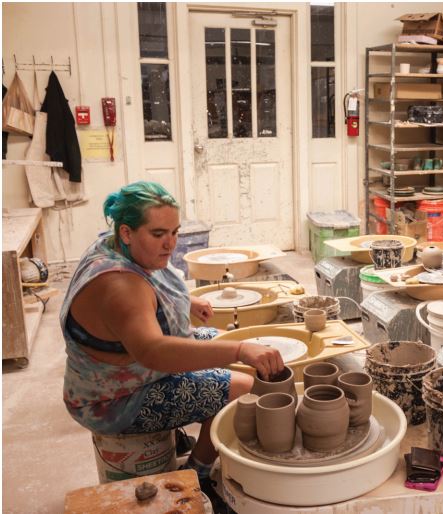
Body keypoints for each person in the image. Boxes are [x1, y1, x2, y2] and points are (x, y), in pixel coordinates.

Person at [61, 181, 284, 486]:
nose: (170, 244)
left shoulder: (114, 245)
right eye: (158, 234)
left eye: (175, 232)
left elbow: (147, 292)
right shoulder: (120, 286)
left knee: (223, 340)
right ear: (127, 232)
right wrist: (239, 350)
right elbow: (154, 351)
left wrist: (186, 301)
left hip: (125, 369)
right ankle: (198, 473)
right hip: (113, 399)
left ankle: (201, 438)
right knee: (245, 387)